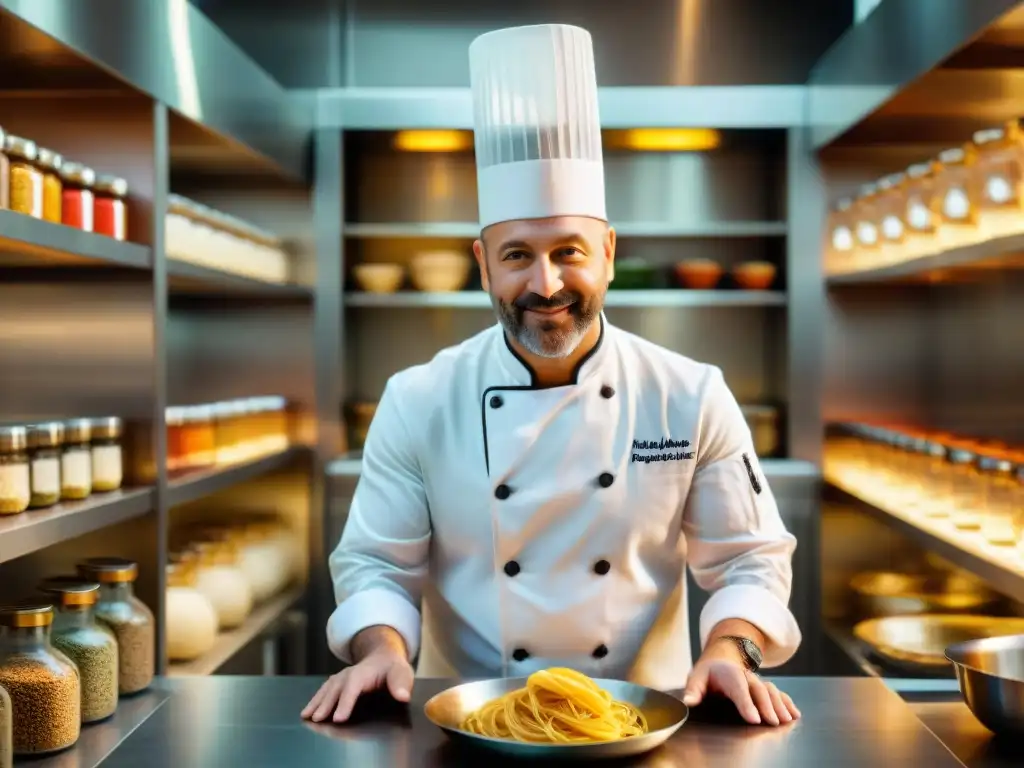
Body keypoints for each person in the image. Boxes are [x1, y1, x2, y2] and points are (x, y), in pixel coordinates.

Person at [302, 23, 802, 729]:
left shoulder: (689, 395)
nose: (546, 283)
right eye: (516, 256)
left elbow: (750, 558)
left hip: (643, 725)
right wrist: (381, 646)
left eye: (569, 250)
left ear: (607, 251)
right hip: (471, 723)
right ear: (482, 264)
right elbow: (377, 565)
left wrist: (732, 648)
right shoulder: (418, 400)